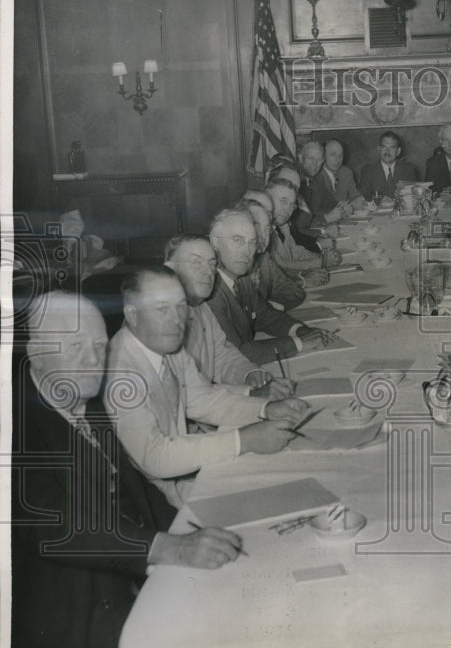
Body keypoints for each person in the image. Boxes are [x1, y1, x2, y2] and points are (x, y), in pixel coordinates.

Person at [11, 291, 250, 648]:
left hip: (119, 589)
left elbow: (129, 488)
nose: (93, 359)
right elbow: (55, 527)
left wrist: (189, 525)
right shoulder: (15, 425)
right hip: (65, 633)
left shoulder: (84, 399)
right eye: (74, 345)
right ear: (36, 352)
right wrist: (167, 546)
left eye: (99, 345)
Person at [105, 267, 309, 507]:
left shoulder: (166, 346)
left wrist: (266, 408)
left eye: (180, 307)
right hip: (155, 504)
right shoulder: (119, 370)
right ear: (132, 314)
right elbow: (154, 456)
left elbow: (202, 399)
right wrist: (242, 440)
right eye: (161, 309)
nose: (177, 320)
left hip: (185, 477)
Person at [163, 233, 295, 399]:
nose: (208, 272)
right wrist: (251, 393)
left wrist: (249, 373)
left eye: (212, 264)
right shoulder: (159, 322)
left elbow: (222, 357)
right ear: (170, 269)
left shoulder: (201, 308)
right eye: (196, 262)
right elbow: (189, 395)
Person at [205, 208, 337, 363]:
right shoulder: (210, 291)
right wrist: (299, 343)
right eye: (237, 240)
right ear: (215, 242)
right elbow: (238, 351)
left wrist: (301, 331)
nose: (246, 251)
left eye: (252, 242)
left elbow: (266, 316)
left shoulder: (241, 278)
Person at [236, 193, 312, 305]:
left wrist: (273, 308)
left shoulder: (263, 257)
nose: (262, 235)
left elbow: (292, 289)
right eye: (256, 226)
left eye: (267, 228)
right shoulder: (231, 265)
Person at [266, 178, 342, 275]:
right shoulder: (264, 231)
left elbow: (297, 252)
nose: (287, 210)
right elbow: (280, 266)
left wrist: (323, 258)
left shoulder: (283, 226)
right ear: (267, 199)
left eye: (292, 205)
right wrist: (321, 262)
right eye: (283, 201)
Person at [358, 130, 420, 201]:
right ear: (379, 149)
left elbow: (415, 194)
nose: (387, 151)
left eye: (392, 148)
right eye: (384, 147)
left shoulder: (408, 169)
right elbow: (364, 195)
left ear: (398, 151)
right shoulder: (368, 170)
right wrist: (379, 199)